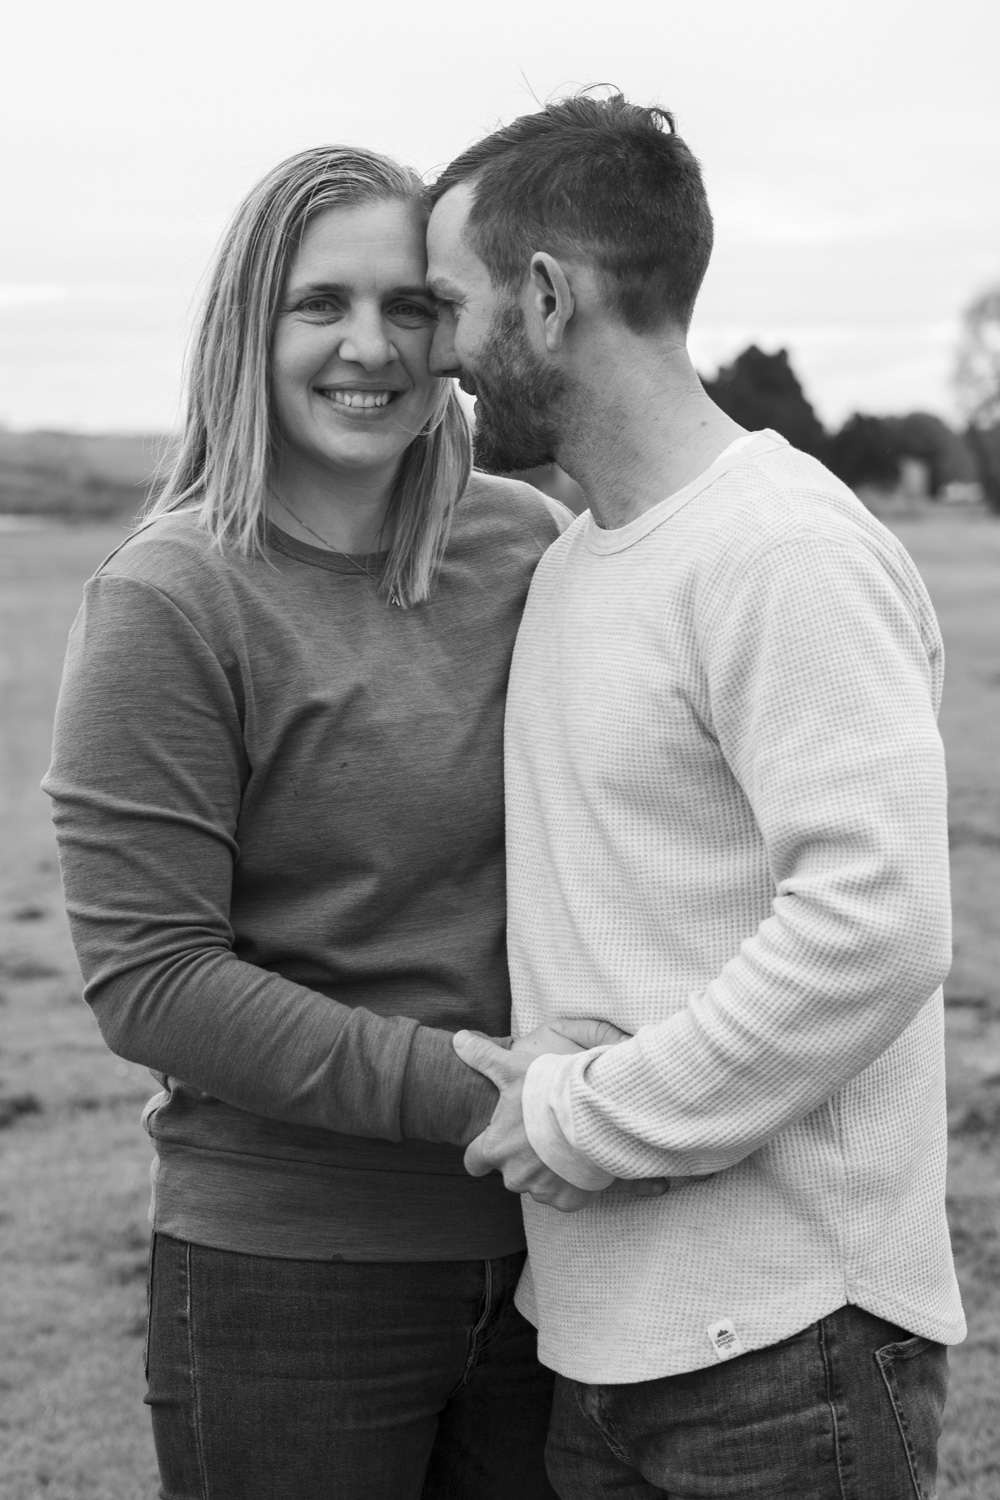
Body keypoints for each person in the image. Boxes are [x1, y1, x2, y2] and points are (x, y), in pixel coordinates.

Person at [42, 143, 620, 1500]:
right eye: (322, 304)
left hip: (567, 1257)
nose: (372, 347)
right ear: (248, 325)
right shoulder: (171, 599)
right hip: (292, 1278)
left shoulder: (531, 546)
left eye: (410, 305)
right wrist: (498, 1090)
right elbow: (153, 982)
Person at [425, 94, 966, 1498]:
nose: (434, 352)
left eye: (449, 305)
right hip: (604, 1343)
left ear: (547, 298)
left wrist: (588, 1115)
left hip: (790, 1346)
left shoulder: (780, 549)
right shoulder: (572, 563)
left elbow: (878, 922)